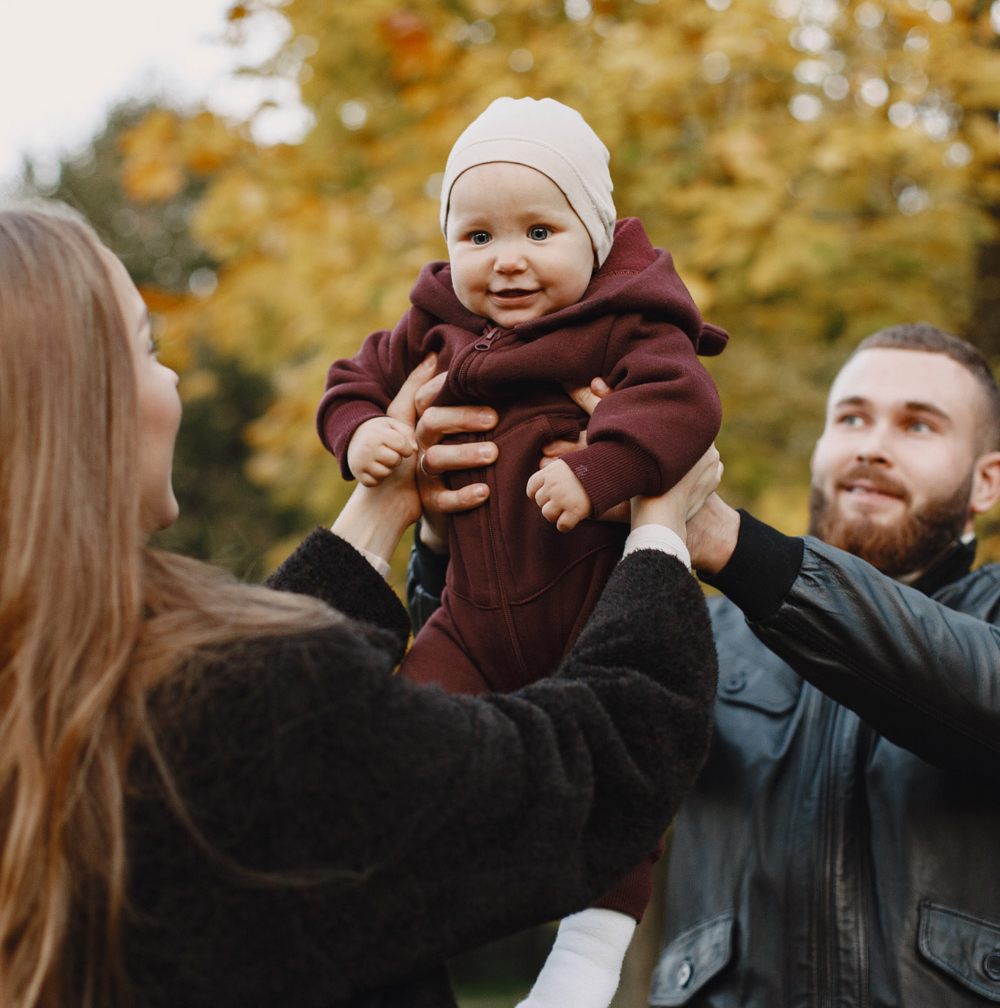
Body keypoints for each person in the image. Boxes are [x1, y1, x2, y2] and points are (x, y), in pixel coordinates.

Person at [0, 204, 722, 1008]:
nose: (169, 378)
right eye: (145, 347)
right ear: (70, 407)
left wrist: (381, 509)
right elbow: (601, 763)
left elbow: (242, 707)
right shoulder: (230, 724)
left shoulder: (55, 694)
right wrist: (659, 528)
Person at [409, 321, 1000, 1008]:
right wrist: (455, 538)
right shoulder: (700, 632)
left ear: (988, 480)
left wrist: (719, 535)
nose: (871, 446)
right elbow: (511, 736)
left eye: (918, 426)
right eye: (851, 418)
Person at [318, 99, 727, 998]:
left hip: (589, 608)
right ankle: (399, 925)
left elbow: (681, 399)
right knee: (393, 752)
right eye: (477, 234)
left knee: (626, 780)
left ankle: (586, 956)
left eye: (540, 230)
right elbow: (354, 379)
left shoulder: (628, 318)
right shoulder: (436, 323)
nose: (506, 258)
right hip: (467, 617)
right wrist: (360, 438)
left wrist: (602, 470)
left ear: (593, 235)